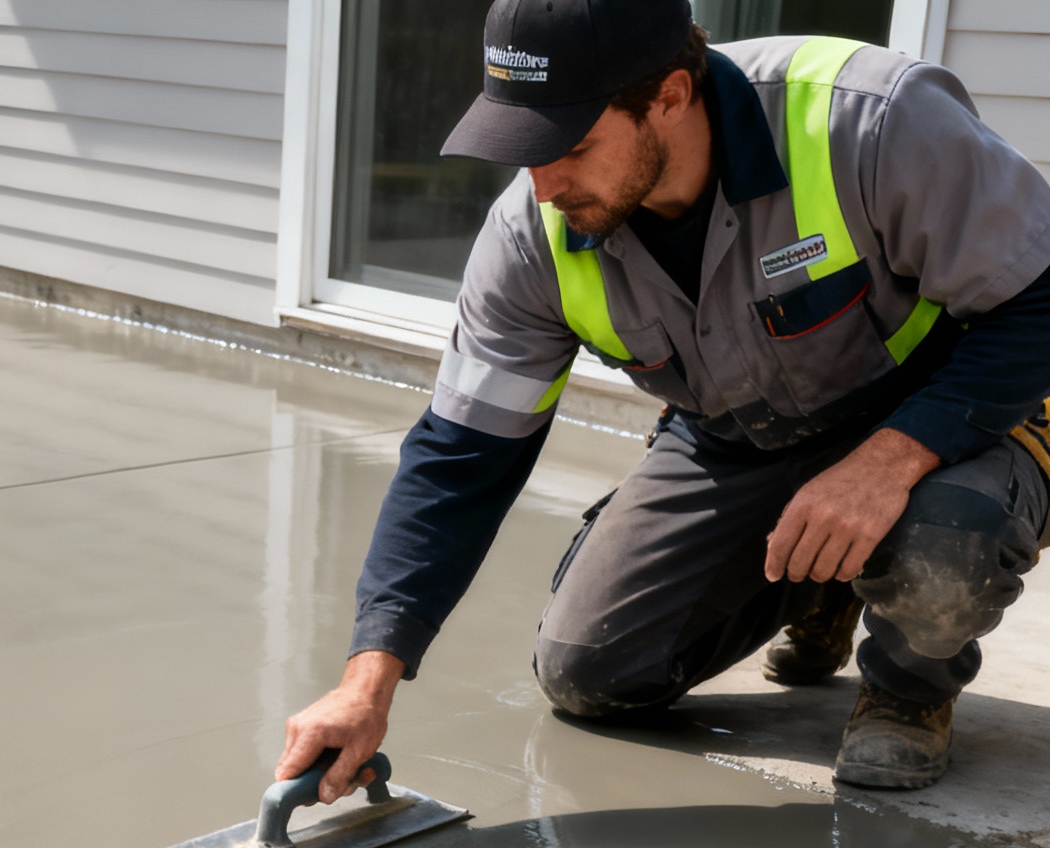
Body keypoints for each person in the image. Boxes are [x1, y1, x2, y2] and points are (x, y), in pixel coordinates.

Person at [281, 0, 1050, 797]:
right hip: (740, 438)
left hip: (950, 412)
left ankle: (909, 689)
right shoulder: (529, 239)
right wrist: (366, 683)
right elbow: (460, 457)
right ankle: (830, 578)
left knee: (945, 547)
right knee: (590, 672)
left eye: (570, 146)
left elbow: (1040, 298)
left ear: (670, 97)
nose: (543, 185)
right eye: (524, 149)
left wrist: (888, 464)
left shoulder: (871, 123)